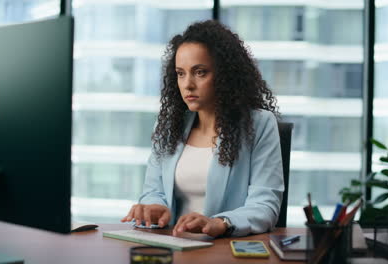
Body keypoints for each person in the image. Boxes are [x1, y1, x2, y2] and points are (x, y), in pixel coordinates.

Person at [121, 20, 284, 238]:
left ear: (225, 75)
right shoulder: (171, 126)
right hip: (173, 245)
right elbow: (153, 191)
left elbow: (265, 205)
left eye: (200, 72)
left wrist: (220, 222)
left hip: (223, 249)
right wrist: (154, 208)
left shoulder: (259, 124)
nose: (187, 84)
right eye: (180, 73)